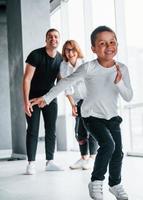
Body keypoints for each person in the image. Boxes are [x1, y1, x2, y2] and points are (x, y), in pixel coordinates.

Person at [30, 26, 133, 200]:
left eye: (112, 42)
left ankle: (115, 184)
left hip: (112, 116)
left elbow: (128, 96)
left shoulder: (122, 69)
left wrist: (120, 83)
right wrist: (46, 98)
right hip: (91, 115)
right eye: (102, 43)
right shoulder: (88, 68)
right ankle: (96, 181)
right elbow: (66, 82)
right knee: (108, 145)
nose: (109, 46)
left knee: (118, 152)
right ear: (93, 48)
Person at [22, 28, 64, 175]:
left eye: (56, 37)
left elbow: (61, 83)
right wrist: (26, 101)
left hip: (49, 98)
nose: (53, 39)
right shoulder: (35, 55)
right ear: (46, 39)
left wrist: (50, 98)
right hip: (33, 97)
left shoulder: (61, 59)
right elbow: (26, 79)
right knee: (32, 130)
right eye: (50, 37)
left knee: (51, 129)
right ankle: (31, 163)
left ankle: (50, 161)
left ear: (59, 40)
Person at [60, 40, 98, 170]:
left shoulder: (85, 64)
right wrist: (73, 105)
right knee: (79, 130)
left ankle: (92, 158)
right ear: (64, 52)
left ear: (77, 51)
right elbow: (67, 87)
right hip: (78, 101)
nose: (70, 53)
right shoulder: (64, 66)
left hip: (90, 99)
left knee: (92, 129)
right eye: (67, 50)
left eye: (73, 50)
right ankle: (83, 158)